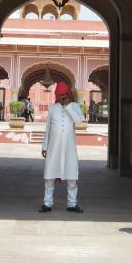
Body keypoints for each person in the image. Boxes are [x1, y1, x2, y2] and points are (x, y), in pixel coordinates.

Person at [39, 81, 83, 213]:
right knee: (49, 177)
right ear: (57, 96)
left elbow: (78, 122)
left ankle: (72, 204)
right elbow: (48, 129)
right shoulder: (53, 108)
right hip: (54, 148)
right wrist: (45, 146)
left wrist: (68, 106)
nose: (62, 97)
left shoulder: (75, 106)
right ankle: (47, 203)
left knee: (72, 178)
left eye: (65, 95)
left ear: (69, 95)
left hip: (69, 149)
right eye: (60, 95)